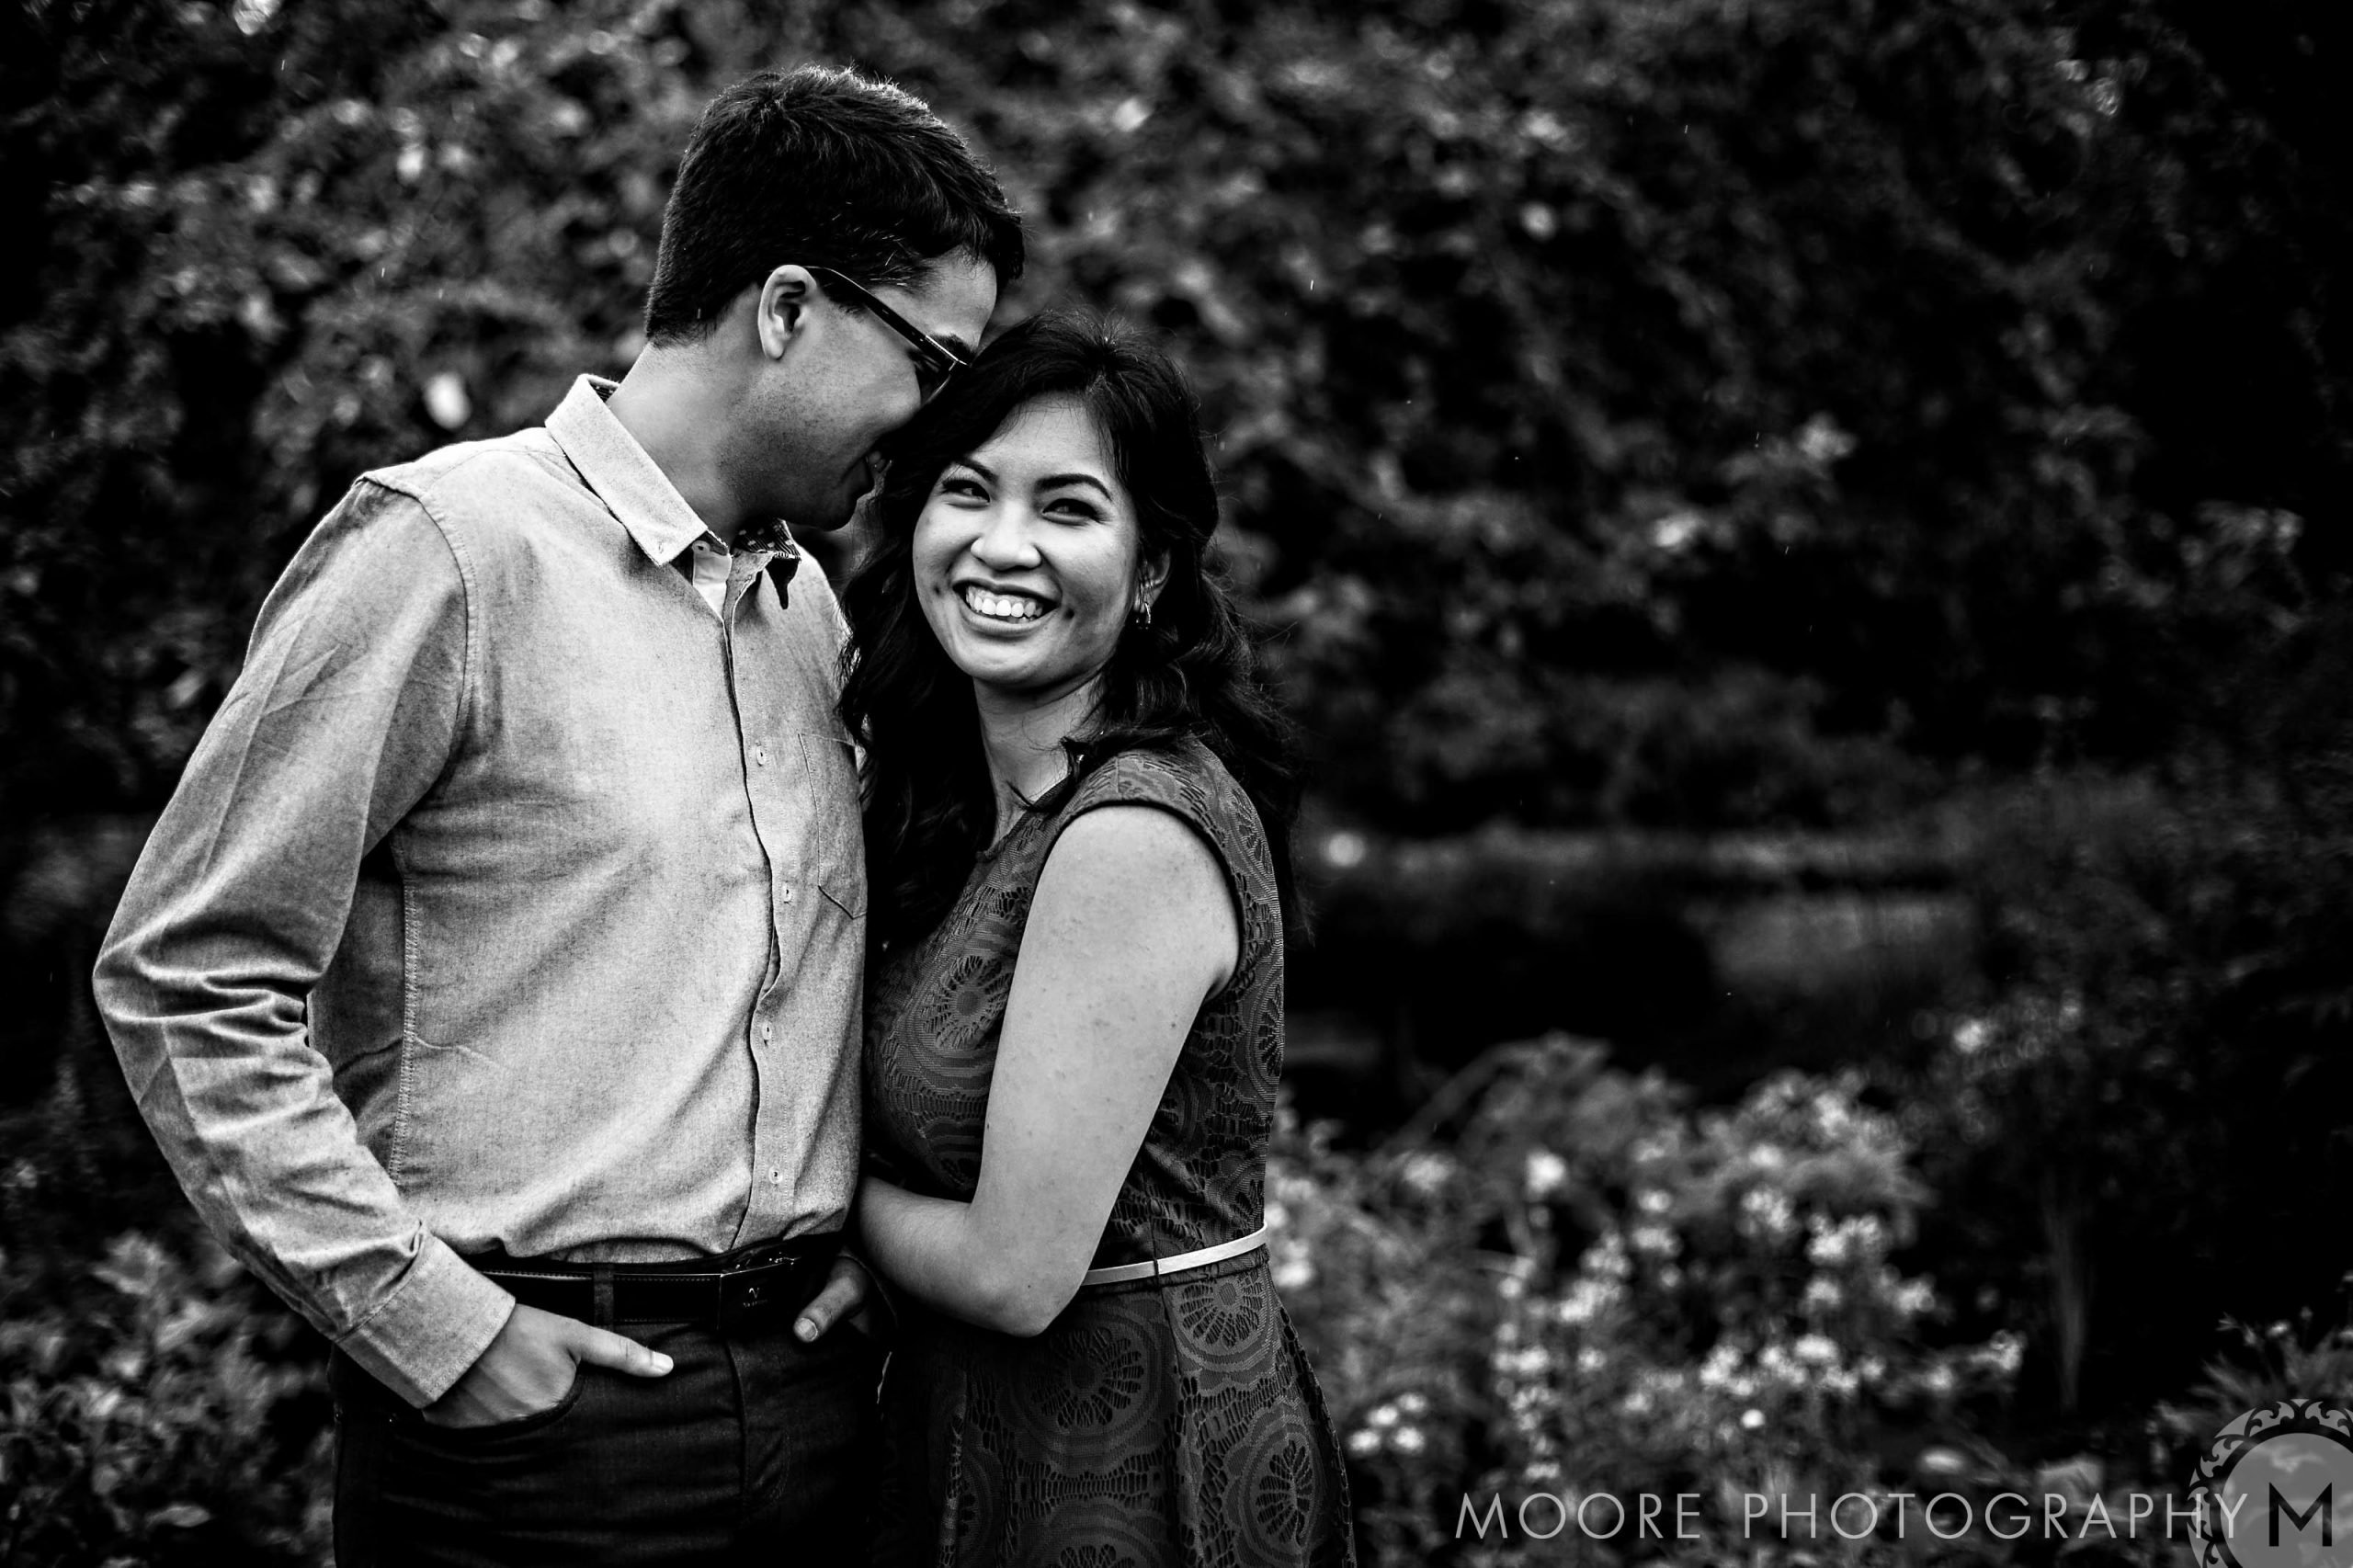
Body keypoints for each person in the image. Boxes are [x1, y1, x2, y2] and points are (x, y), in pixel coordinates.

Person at [92, 65, 1021, 1565]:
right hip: (530, 1441)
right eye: (932, 364)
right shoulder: (448, 552)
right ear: (786, 308)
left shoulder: (810, 622)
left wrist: (865, 1237)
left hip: (820, 1405)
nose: (934, 429)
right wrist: (431, 1321)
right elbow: (186, 972)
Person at [836, 312, 1355, 1566]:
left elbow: (1018, 1269)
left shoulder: (1131, 833)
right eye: (967, 491)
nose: (1001, 545)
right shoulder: (961, 806)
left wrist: (802, 1211)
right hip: (987, 1426)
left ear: (1153, 569)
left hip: (1129, 1453)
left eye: (1067, 509)